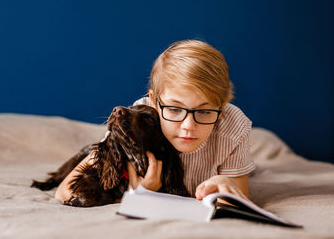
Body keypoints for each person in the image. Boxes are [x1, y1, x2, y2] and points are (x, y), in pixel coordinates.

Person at [55, 39, 255, 202]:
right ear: (154, 103)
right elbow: (63, 191)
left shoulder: (233, 126)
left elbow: (238, 200)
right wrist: (141, 193)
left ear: (220, 110)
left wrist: (225, 184)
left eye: (204, 112)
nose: (188, 126)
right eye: (175, 109)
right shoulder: (137, 121)